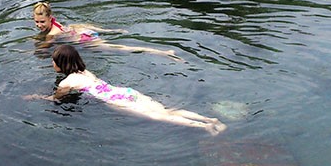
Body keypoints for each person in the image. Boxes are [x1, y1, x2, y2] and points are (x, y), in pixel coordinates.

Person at [43, 44, 225, 134]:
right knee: (166, 110)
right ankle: (209, 119)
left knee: (160, 116)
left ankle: (206, 127)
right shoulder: (84, 72)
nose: (52, 63)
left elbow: (56, 99)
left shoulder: (66, 83)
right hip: (125, 92)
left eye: (54, 61)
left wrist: (37, 97)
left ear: (61, 64)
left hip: (116, 101)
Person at [32, 1, 180, 60]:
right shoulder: (55, 23)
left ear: (50, 17)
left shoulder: (51, 34)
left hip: (85, 39)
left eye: (42, 22)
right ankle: (113, 30)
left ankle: (163, 52)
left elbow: (42, 50)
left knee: (121, 48)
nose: (39, 25)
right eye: (36, 22)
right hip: (82, 31)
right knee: (77, 24)